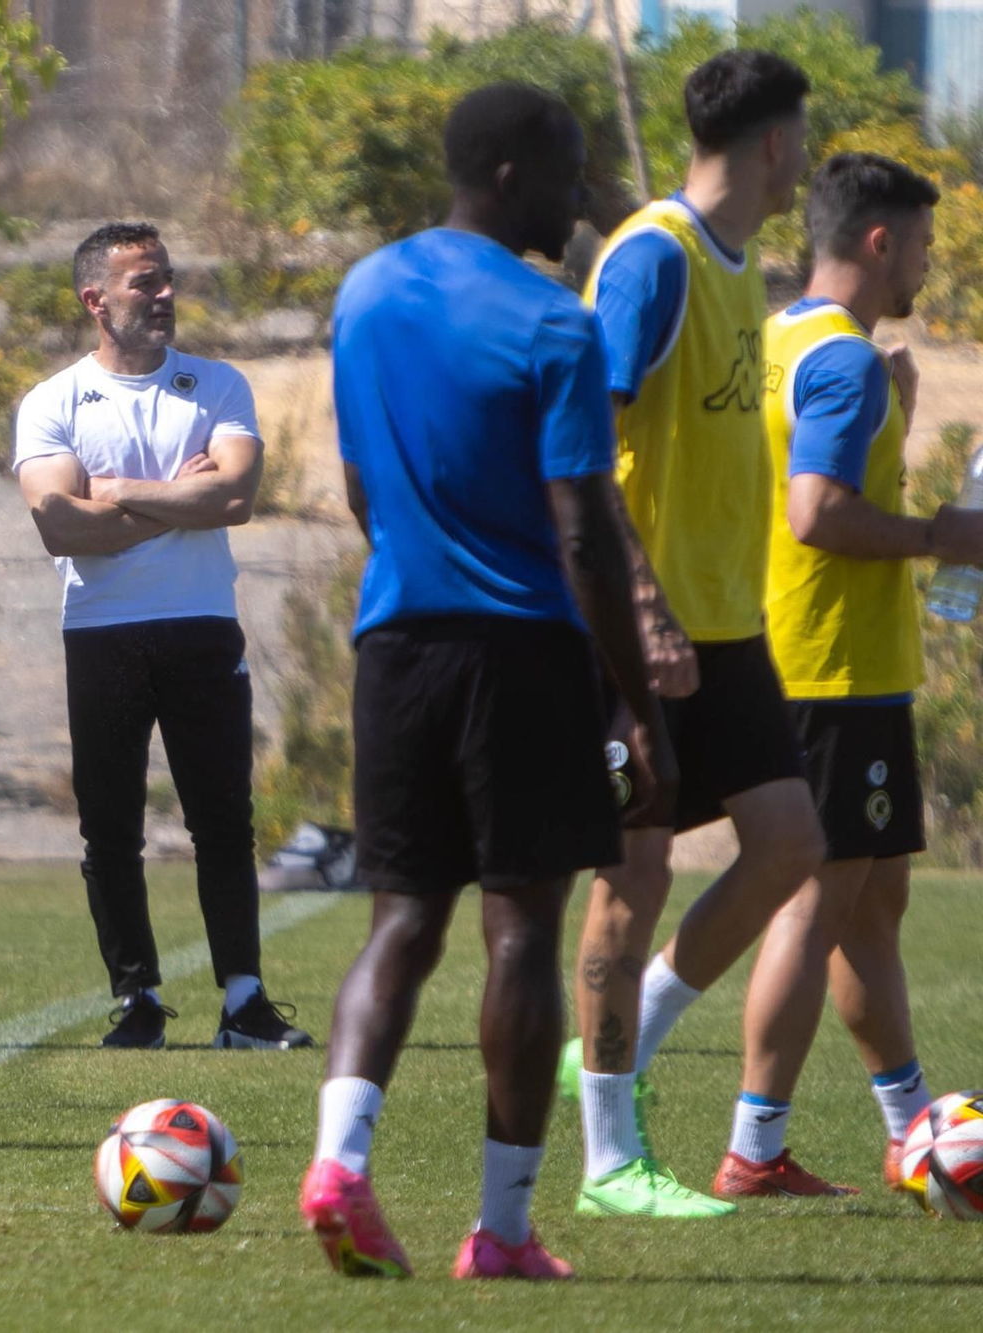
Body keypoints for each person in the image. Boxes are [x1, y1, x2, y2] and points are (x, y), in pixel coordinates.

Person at [301, 83, 674, 1281]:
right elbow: (583, 533)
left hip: (393, 646)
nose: (581, 203)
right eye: (568, 172)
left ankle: (338, 1160)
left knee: (402, 915)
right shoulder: (554, 321)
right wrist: (632, 698)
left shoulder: (362, 290)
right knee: (520, 931)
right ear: (510, 172)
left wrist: (417, 562)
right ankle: (502, 1232)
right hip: (518, 655)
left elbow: (361, 485)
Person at [560, 49, 826, 1217]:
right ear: (773, 142)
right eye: (802, 137)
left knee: (786, 844)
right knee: (632, 878)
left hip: (727, 628)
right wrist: (643, 615)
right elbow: (574, 452)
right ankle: (608, 1157)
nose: (806, 159)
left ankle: (617, 1042)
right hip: (637, 633)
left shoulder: (734, 267)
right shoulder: (650, 258)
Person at [723, 153, 970, 1197]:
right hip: (831, 665)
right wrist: (940, 535)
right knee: (815, 903)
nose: (923, 265)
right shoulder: (841, 361)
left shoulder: (777, 340)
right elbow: (814, 512)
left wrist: (896, 418)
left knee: (870, 901)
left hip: (814, 656)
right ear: (878, 243)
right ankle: (752, 1144)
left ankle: (908, 1123)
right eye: (918, 245)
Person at [11, 222, 308, 1051]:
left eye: (168, 278)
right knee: (110, 827)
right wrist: (177, 500)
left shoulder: (215, 384)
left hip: (202, 626)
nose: (166, 294)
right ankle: (137, 1000)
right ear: (95, 300)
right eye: (145, 282)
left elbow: (237, 496)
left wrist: (120, 495)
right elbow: (59, 524)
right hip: (101, 631)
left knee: (223, 821)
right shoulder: (53, 400)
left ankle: (244, 1001)